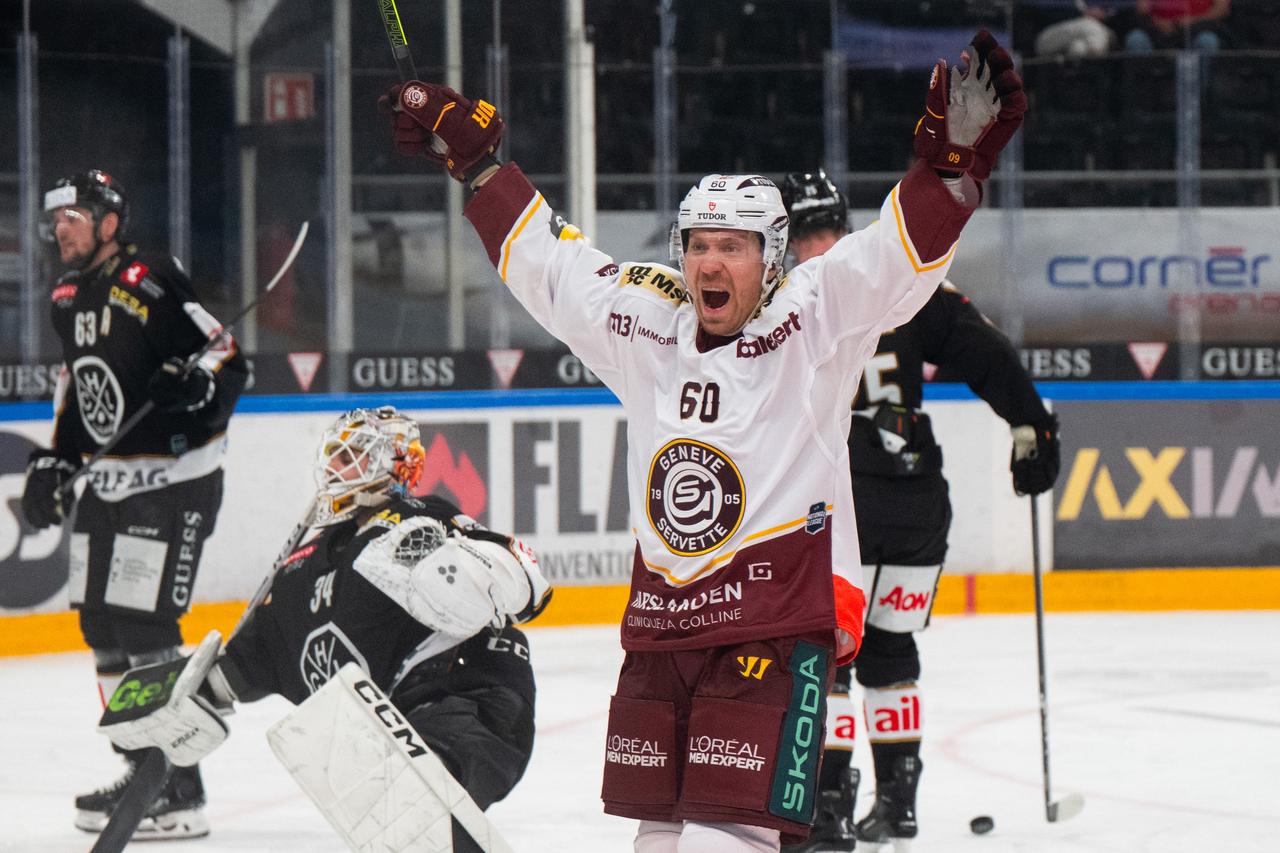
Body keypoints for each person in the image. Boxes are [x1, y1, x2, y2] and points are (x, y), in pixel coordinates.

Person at [382, 28, 1024, 853]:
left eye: (732, 247)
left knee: (736, 835)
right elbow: (553, 269)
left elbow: (894, 259)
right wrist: (477, 167)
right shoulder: (647, 322)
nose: (709, 263)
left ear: (772, 255)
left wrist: (948, 170)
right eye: (697, 245)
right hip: (663, 621)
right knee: (661, 835)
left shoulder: (815, 316)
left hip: (777, 615)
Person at [98, 405, 552, 849]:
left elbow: (527, 583)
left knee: (413, 797)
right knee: (393, 798)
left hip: (473, 696)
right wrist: (192, 696)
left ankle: (431, 790)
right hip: (396, 727)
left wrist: (466, 573)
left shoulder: (419, 519)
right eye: (332, 454)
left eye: (348, 454)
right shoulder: (302, 569)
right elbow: (252, 660)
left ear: (391, 462)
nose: (332, 466)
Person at [777, 170, 1062, 852]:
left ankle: (830, 808)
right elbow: (986, 350)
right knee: (891, 647)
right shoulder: (897, 281)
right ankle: (898, 805)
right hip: (917, 499)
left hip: (841, 497)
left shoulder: (787, 294)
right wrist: (1033, 427)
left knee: (826, 655)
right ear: (844, 220)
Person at [21, 169, 249, 839]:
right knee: (100, 623)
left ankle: (180, 786)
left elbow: (227, 357)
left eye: (75, 215)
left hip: (174, 479)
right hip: (108, 484)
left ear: (110, 222)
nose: (60, 226)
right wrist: (56, 459)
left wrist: (196, 387)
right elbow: (76, 388)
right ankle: (139, 767)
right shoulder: (65, 295)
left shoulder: (150, 276)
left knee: (144, 624)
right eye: (56, 216)